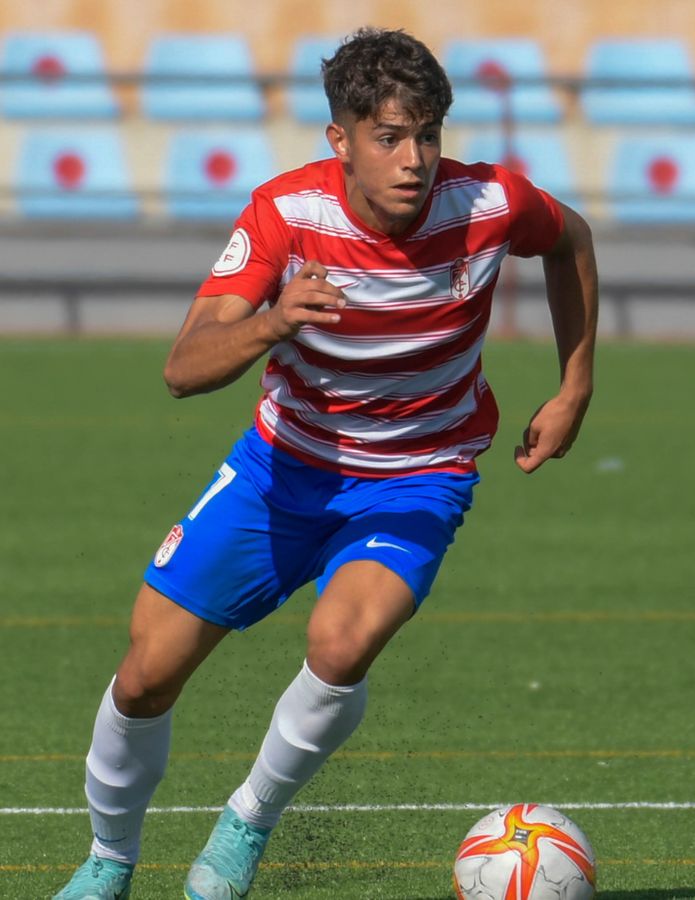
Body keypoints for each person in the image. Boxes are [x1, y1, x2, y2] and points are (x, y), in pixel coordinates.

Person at [54, 27, 598, 900]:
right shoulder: (285, 215)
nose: (413, 159)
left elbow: (571, 239)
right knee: (144, 676)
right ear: (339, 140)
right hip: (282, 469)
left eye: (427, 134)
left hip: (419, 475)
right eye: (389, 137)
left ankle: (245, 826)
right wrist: (272, 321)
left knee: (341, 643)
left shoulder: (492, 202)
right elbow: (182, 368)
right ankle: (109, 861)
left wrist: (575, 385)